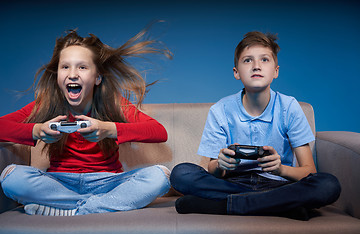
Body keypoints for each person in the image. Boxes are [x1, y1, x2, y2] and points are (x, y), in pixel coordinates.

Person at [0, 26, 172, 216]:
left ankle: (72, 211)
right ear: (57, 75)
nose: (72, 74)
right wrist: (37, 130)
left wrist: (108, 129)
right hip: (59, 183)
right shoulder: (44, 104)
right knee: (11, 176)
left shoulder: (113, 104)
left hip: (107, 182)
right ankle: (96, 207)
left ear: (97, 77)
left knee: (161, 176)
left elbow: (158, 131)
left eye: (82, 67)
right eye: (65, 67)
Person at [170, 31, 341, 220]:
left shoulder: (289, 107)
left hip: (279, 185)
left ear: (276, 70)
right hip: (233, 184)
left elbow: (309, 171)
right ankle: (280, 207)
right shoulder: (220, 110)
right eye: (247, 60)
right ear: (236, 72)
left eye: (265, 60)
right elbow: (214, 171)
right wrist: (220, 164)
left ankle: (226, 206)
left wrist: (281, 169)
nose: (256, 66)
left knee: (328, 184)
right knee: (181, 173)